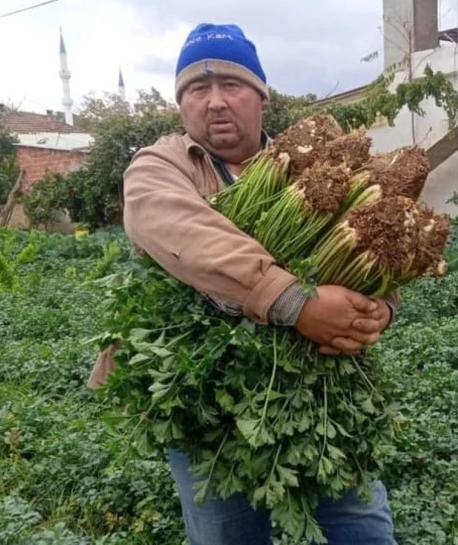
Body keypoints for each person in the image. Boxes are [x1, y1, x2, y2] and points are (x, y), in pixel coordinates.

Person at [89, 23, 399, 545]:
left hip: (321, 393)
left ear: (261, 96)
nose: (213, 103)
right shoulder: (159, 166)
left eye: (231, 85)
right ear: (180, 105)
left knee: (362, 531)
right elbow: (186, 233)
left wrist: (378, 310)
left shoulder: (320, 169)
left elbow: (379, 247)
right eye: (195, 90)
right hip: (204, 403)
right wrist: (298, 302)